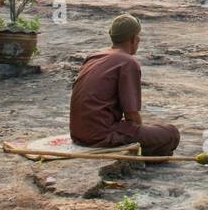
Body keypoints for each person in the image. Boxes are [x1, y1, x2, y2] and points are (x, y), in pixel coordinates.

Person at [69, 14, 180, 156]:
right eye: (138, 37)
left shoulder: (93, 56)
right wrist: (140, 133)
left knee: (150, 131)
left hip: (78, 134)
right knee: (171, 133)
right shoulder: (127, 62)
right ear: (133, 39)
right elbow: (131, 114)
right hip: (99, 137)